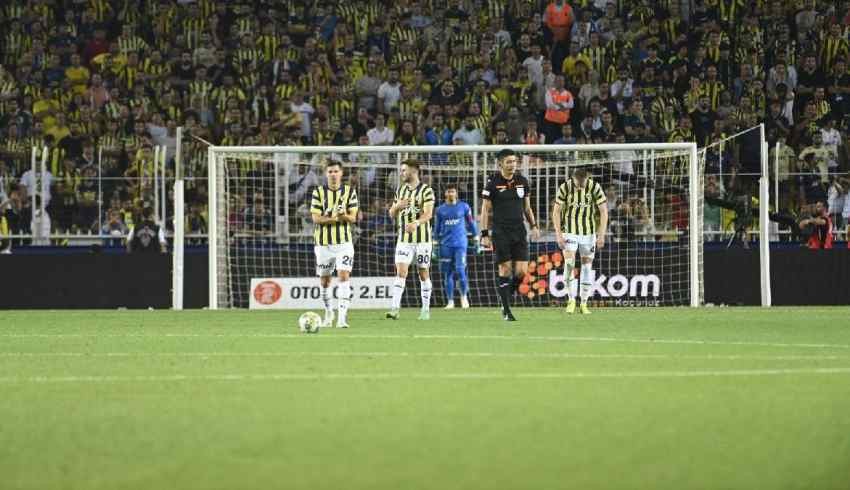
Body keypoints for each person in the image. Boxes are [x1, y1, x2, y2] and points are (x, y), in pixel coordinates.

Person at [479, 149, 540, 321]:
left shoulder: (522, 181)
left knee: (522, 272)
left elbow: (527, 208)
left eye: (514, 161)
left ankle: (505, 297)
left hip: (519, 231)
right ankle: (507, 311)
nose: (512, 165)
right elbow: (485, 210)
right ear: (500, 164)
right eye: (508, 162)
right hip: (500, 232)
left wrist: (534, 225)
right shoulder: (492, 182)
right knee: (505, 269)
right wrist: (484, 233)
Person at [309, 160, 359, 328]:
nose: (333, 174)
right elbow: (316, 218)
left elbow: (353, 218)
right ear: (325, 174)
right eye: (329, 171)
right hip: (323, 244)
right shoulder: (318, 192)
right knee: (325, 281)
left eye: (335, 171)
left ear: (341, 173)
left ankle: (342, 318)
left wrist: (343, 215)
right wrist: (333, 218)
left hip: (344, 243)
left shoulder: (349, 192)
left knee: (344, 276)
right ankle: (329, 313)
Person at [552, 167, 608, 314]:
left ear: (587, 178)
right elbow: (556, 212)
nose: (581, 187)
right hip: (569, 231)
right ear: (573, 178)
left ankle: (584, 303)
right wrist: (558, 234)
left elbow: (603, 211)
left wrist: (601, 235)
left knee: (587, 267)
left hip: (589, 233)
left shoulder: (594, 186)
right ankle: (571, 299)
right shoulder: (565, 187)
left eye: (583, 183)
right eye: (578, 184)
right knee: (569, 263)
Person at [387, 160, 435, 320]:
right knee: (401, 272)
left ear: (414, 171)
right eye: (401, 170)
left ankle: (425, 310)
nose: (401, 173)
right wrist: (396, 206)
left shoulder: (426, 190)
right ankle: (394, 309)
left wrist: (416, 223)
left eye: (404, 170)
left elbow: (428, 214)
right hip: (404, 240)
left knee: (423, 273)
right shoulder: (400, 191)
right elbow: (391, 214)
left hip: (423, 240)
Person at [434, 184, 478, 309]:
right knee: (447, 273)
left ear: (456, 193)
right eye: (449, 191)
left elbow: (471, 222)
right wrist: (435, 244)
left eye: (453, 191)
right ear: (445, 194)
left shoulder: (464, 207)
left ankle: (464, 297)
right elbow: (436, 228)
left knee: (460, 270)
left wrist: (476, 238)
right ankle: (450, 301)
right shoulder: (440, 210)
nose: (451, 194)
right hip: (445, 245)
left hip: (460, 244)